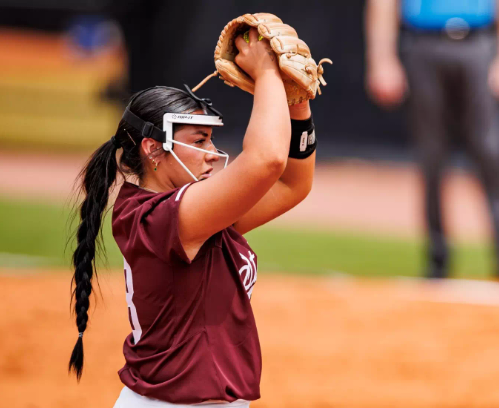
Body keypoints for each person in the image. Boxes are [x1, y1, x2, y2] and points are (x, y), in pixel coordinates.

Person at [67, 28, 318, 407]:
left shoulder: (195, 213)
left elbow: (293, 184)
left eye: (211, 140)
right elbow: (267, 161)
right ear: (153, 149)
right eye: (199, 141)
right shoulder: (159, 218)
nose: (212, 153)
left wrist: (297, 103)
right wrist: (267, 72)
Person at [365, 0, 499, 279]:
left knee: (492, 150)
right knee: (431, 154)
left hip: (479, 43)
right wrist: (382, 59)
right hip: (423, 43)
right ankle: (437, 255)